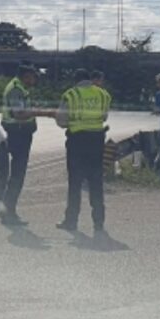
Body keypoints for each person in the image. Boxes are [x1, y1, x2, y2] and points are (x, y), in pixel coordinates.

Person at [55, 69, 111, 233]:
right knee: (96, 182)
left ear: (76, 80)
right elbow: (104, 117)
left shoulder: (70, 95)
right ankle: (98, 223)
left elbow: (61, 121)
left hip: (77, 142)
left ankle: (71, 221)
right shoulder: (102, 94)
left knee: (75, 183)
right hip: (96, 142)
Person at [0, 62, 51, 226]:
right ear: (26, 76)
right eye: (33, 77)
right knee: (17, 175)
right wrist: (43, 112)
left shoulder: (20, 88)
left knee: (17, 174)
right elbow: (19, 114)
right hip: (18, 133)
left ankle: (7, 210)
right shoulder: (16, 89)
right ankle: (8, 213)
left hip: (20, 133)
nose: (34, 80)